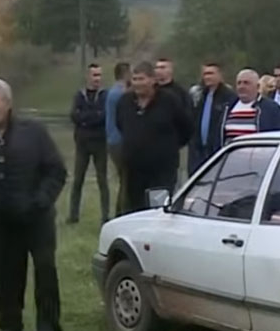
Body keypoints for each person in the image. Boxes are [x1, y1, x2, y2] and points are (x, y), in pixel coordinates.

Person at [0, 79, 66, 331]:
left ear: (7, 104)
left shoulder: (34, 133)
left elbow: (56, 171)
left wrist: (41, 200)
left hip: (36, 218)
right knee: (4, 274)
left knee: (45, 271)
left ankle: (48, 327)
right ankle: (10, 326)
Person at [115, 62, 195, 213]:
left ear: (153, 80)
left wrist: (168, 147)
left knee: (158, 211)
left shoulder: (169, 101)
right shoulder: (124, 102)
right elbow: (121, 125)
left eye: (141, 79)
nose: (137, 84)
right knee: (134, 211)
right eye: (135, 79)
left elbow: (187, 128)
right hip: (134, 170)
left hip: (162, 171)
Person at [67, 63, 108, 224]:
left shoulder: (105, 95)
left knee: (102, 180)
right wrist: (91, 117)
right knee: (78, 180)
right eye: (94, 75)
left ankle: (105, 216)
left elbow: (103, 116)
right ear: (88, 76)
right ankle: (73, 216)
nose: (97, 78)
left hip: (100, 143)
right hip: (82, 143)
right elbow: (74, 116)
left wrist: (85, 118)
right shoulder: (80, 95)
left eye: (99, 75)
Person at [189, 62, 234, 176]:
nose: (207, 77)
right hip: (199, 151)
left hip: (217, 150)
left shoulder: (228, 97)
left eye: (211, 73)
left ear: (220, 75)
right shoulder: (200, 96)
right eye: (205, 74)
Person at [220, 69, 280, 143]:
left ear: (257, 86)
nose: (242, 86)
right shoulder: (227, 108)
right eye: (239, 83)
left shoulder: (272, 109)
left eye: (246, 83)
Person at [103, 62, 130, 218]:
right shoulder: (120, 94)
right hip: (119, 142)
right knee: (126, 181)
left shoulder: (111, 92)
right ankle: (121, 214)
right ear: (125, 74)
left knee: (123, 181)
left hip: (112, 141)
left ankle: (120, 212)